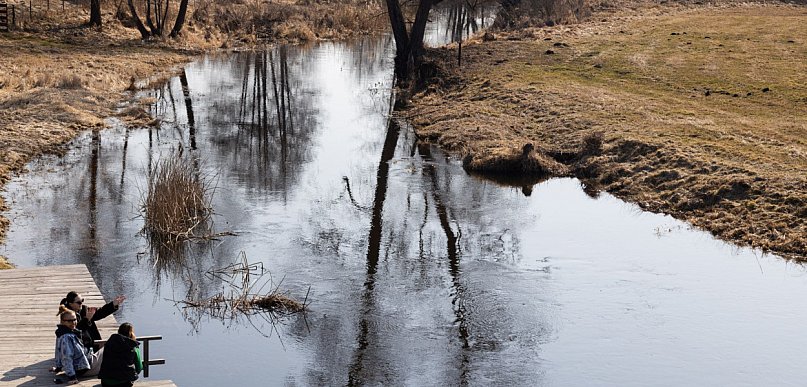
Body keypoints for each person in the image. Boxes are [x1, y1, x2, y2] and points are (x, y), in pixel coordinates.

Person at [60, 291, 126, 351]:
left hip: (92, 343)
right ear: (71, 304)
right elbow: (75, 331)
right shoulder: (67, 315)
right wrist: (87, 319)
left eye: (82, 300)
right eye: (79, 302)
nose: (81, 304)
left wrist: (113, 304)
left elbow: (100, 313)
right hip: (78, 346)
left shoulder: (84, 309)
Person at [53, 306, 92, 385]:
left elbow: (58, 351)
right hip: (81, 368)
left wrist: (58, 367)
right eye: (69, 321)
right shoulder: (67, 337)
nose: (73, 322)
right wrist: (72, 377)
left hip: (81, 362)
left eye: (74, 319)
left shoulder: (61, 332)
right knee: (108, 350)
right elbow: (66, 357)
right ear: (62, 321)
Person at [99, 322, 143, 387]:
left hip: (106, 381)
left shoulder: (109, 344)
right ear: (131, 333)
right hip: (123, 383)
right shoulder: (133, 347)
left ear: (118, 331)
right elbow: (139, 368)